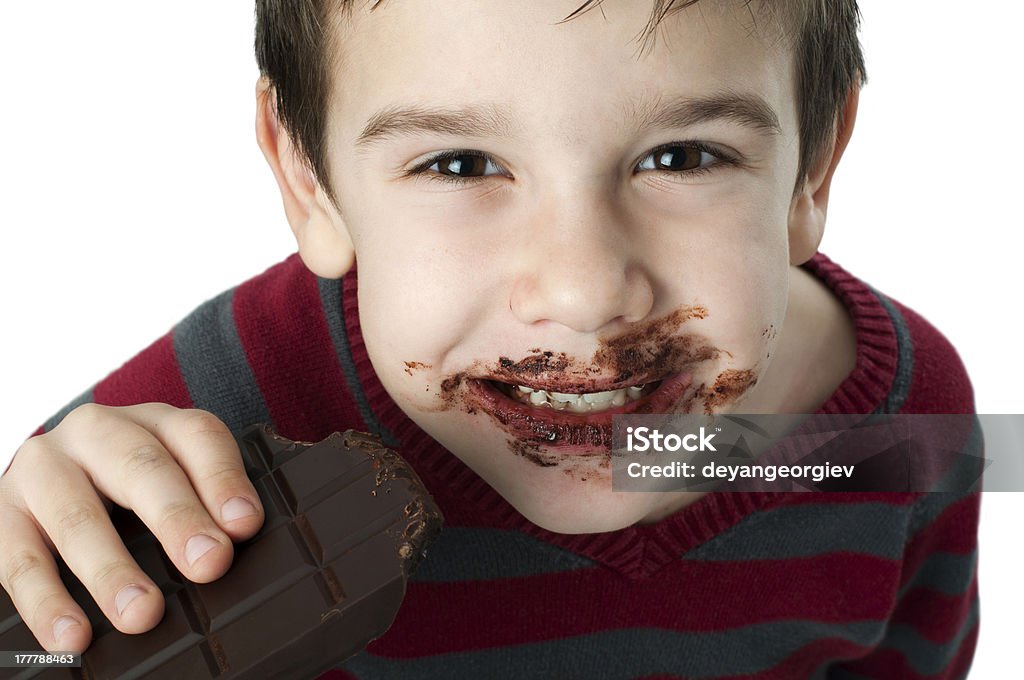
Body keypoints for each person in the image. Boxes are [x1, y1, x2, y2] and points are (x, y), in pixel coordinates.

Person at [0, 1, 980, 677]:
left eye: (682, 156)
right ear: (306, 177)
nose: (583, 289)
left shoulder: (895, 430)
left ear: (812, 170)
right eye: (460, 163)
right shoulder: (224, 409)